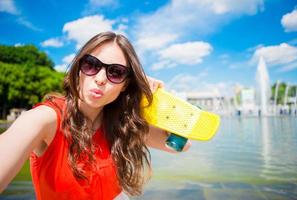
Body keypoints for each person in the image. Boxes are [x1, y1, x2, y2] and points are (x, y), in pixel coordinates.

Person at [0, 31, 191, 199]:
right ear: (78, 69)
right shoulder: (46, 119)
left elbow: (181, 145)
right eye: (91, 65)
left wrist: (154, 104)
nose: (100, 79)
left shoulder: (121, 124)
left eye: (115, 72)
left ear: (125, 84)